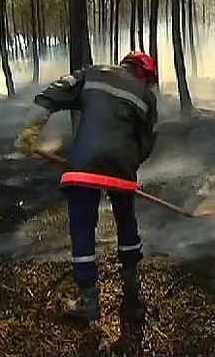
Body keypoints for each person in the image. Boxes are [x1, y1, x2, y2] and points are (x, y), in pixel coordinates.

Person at [15, 52, 158, 324]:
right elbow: (147, 142)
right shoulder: (146, 98)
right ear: (143, 73)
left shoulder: (92, 74)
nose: (149, 84)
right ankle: (132, 299)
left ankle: (90, 301)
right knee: (127, 225)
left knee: (82, 229)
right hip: (122, 170)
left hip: (83, 165)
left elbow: (51, 95)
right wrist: (128, 163)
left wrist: (31, 128)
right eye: (149, 79)